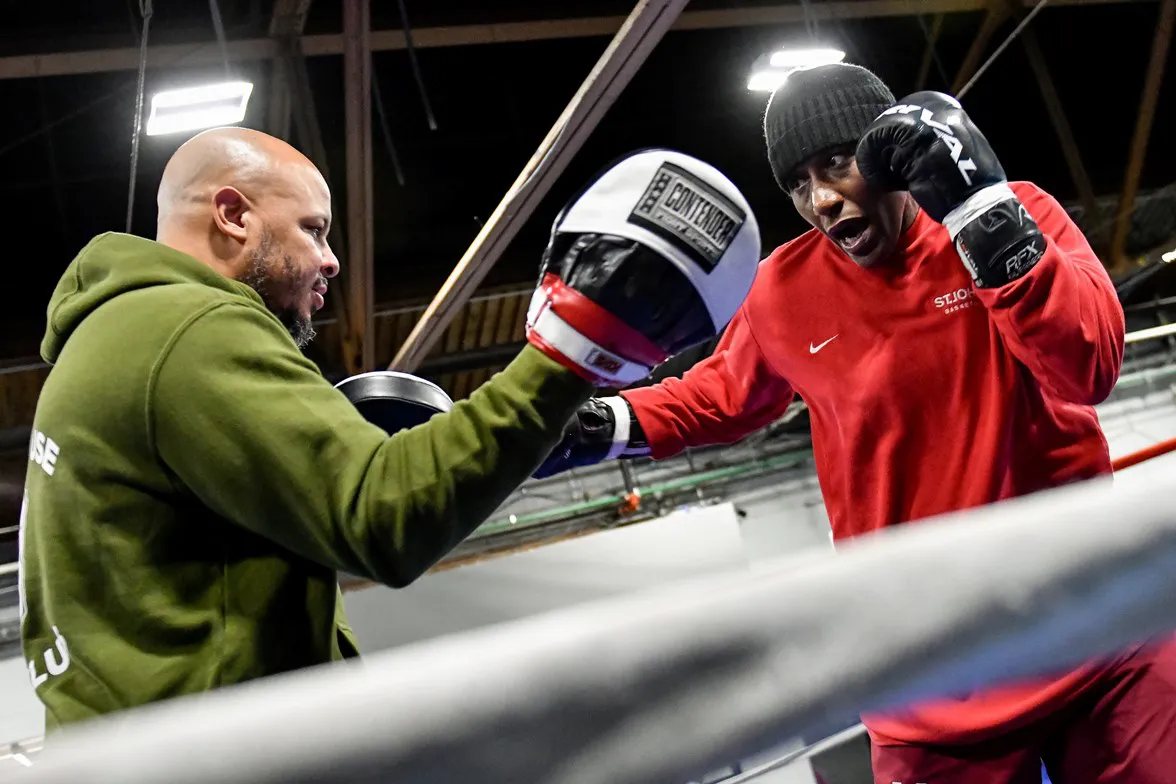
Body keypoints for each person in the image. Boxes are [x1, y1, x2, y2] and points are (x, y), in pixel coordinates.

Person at [536, 64, 1176, 783]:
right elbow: (717, 395)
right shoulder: (783, 290)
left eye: (837, 165)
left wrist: (983, 216)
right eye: (799, 184)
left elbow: (1089, 366)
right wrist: (596, 422)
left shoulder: (1015, 209)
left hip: (1095, 629)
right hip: (929, 671)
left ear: (886, 151)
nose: (823, 200)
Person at [18, 129, 761, 731]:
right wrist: (573, 355)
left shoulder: (105, 339)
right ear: (233, 215)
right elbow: (384, 516)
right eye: (313, 229)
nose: (332, 259)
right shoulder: (192, 327)